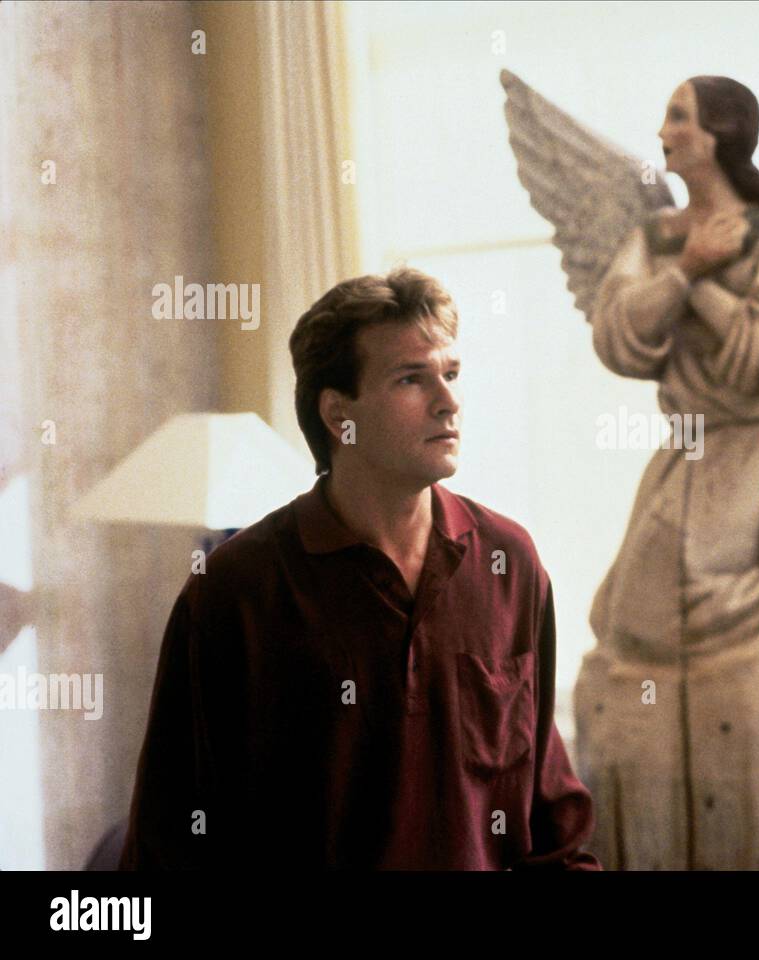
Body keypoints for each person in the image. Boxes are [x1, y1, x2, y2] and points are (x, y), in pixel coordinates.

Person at [119, 267, 600, 869]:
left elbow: (551, 823)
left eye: (450, 374)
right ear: (337, 413)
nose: (448, 400)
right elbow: (171, 841)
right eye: (410, 379)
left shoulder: (509, 562)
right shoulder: (235, 590)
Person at [574, 76, 759, 870]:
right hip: (687, 453)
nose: (663, 130)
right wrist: (688, 270)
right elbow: (618, 336)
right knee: (628, 618)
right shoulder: (662, 237)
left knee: (704, 620)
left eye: (678, 117)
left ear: (719, 134)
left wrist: (697, 291)